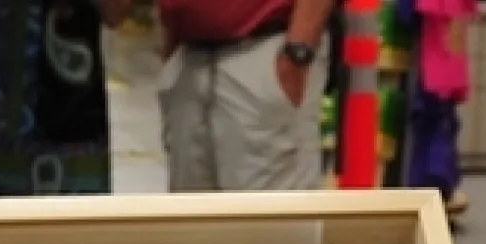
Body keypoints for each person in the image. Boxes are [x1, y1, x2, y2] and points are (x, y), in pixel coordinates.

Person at [98, 0, 337, 191]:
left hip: (266, 48)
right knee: (194, 231)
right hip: (189, 55)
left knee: (271, 229)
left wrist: (298, 52)